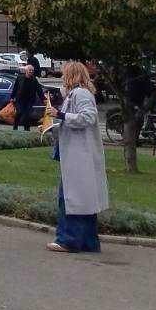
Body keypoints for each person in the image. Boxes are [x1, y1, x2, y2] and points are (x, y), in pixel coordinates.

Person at [50, 62, 109, 254]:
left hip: (79, 154)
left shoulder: (80, 94)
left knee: (71, 197)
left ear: (72, 75)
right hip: (77, 153)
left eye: (64, 74)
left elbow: (87, 118)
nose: (62, 77)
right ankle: (89, 242)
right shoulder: (76, 94)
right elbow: (72, 120)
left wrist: (61, 115)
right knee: (84, 198)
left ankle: (68, 239)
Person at [8, 59, 46, 130]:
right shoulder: (20, 78)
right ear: (26, 71)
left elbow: (39, 90)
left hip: (29, 101)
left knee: (27, 115)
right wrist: (12, 97)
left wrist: (43, 99)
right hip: (20, 100)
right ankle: (15, 126)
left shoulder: (34, 80)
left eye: (32, 70)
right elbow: (15, 88)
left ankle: (27, 129)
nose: (31, 71)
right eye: (29, 70)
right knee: (19, 113)